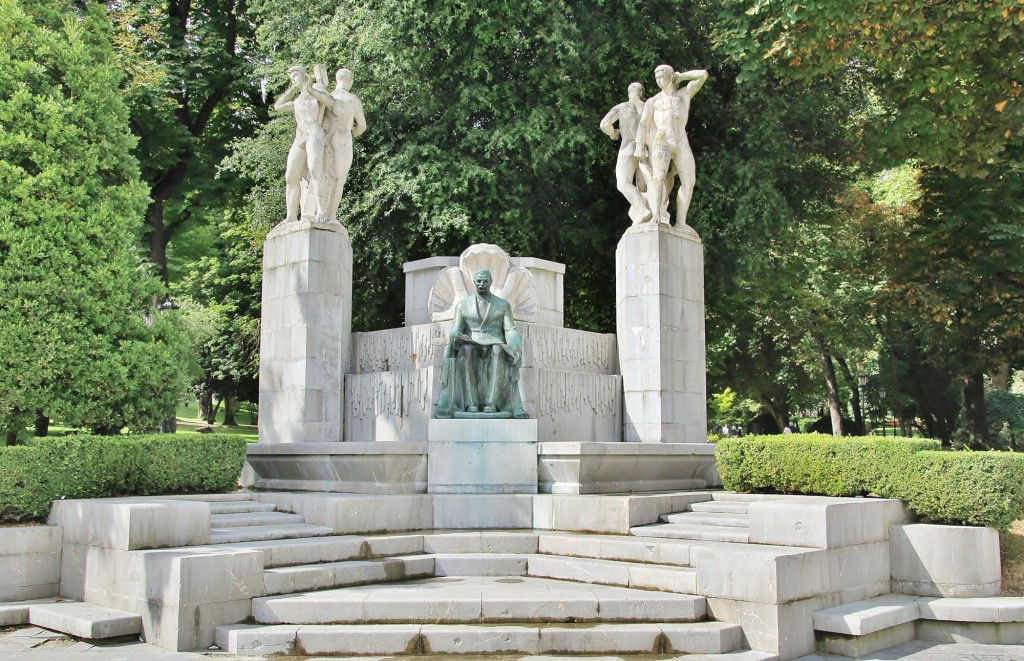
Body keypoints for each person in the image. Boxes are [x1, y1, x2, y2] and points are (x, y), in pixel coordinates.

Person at [435, 269, 527, 418]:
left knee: (497, 350)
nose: (481, 284)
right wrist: (458, 337)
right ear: (474, 282)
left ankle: (492, 402)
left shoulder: (503, 305)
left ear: (491, 282)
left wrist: (515, 345)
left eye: (485, 281)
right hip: (471, 342)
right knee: (466, 350)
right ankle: (471, 403)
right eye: (478, 281)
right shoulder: (462, 305)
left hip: (494, 342)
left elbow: (510, 330)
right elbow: (455, 330)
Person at [634, 65, 708, 226]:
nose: (658, 80)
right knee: (658, 178)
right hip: (662, 140)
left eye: (661, 77)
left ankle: (681, 223)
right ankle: (655, 215)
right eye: (656, 78)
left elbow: (702, 75)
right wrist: (639, 146)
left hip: (681, 140)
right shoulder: (653, 101)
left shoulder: (684, 94)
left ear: (670, 76)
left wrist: (681, 77)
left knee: (689, 181)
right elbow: (642, 124)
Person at [275, 65, 336, 223]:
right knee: (291, 176)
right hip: (300, 135)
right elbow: (278, 106)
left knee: (316, 171)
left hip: (314, 132)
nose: (293, 80)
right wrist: (291, 89)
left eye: (295, 76)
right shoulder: (299, 98)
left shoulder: (315, 88)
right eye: (291, 78)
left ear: (303, 76)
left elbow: (330, 102)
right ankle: (291, 215)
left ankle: (321, 210)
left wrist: (310, 87)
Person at [600, 82, 651, 224]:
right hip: (645, 150)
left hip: (628, 147)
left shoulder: (622, 107)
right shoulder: (648, 106)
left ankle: (642, 210)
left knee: (623, 183)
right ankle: (649, 212)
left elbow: (604, 124)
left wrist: (613, 133)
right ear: (641, 93)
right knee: (644, 187)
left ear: (629, 93)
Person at [322, 68, 367, 222]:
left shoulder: (328, 97)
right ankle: (331, 216)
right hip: (344, 137)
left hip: (327, 138)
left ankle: (320, 212)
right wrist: (352, 133)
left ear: (336, 79)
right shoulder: (353, 100)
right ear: (350, 81)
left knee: (325, 176)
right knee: (339, 179)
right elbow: (362, 126)